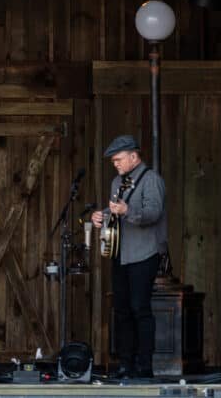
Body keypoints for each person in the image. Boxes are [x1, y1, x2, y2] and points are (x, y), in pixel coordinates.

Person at [91, 134, 166, 379]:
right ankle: (125, 364)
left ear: (134, 156)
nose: (116, 164)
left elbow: (153, 213)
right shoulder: (117, 182)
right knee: (122, 310)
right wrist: (101, 215)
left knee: (140, 308)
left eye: (119, 159)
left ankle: (145, 365)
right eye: (114, 161)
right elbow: (115, 211)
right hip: (120, 253)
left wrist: (127, 210)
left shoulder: (151, 179)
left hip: (144, 253)